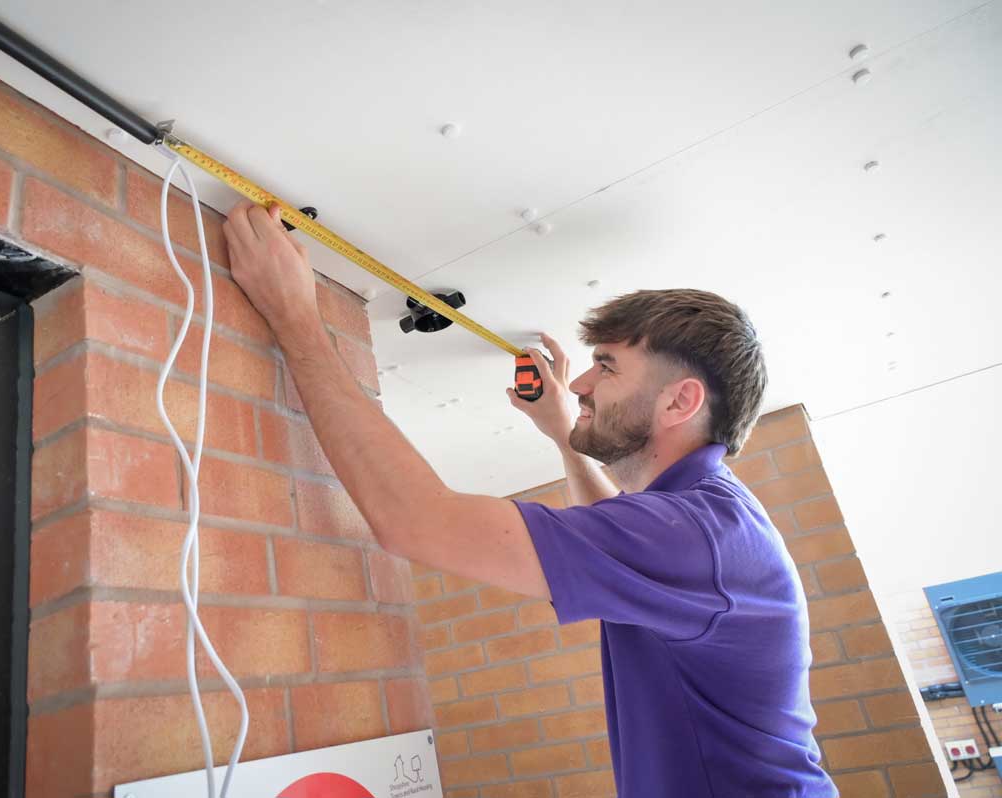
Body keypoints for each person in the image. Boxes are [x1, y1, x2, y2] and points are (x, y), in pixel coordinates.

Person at [222, 202, 837, 797]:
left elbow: (415, 523)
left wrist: (295, 316)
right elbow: (613, 532)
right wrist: (565, 436)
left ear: (681, 402)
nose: (579, 382)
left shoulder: (699, 537)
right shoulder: (707, 520)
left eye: (607, 367)